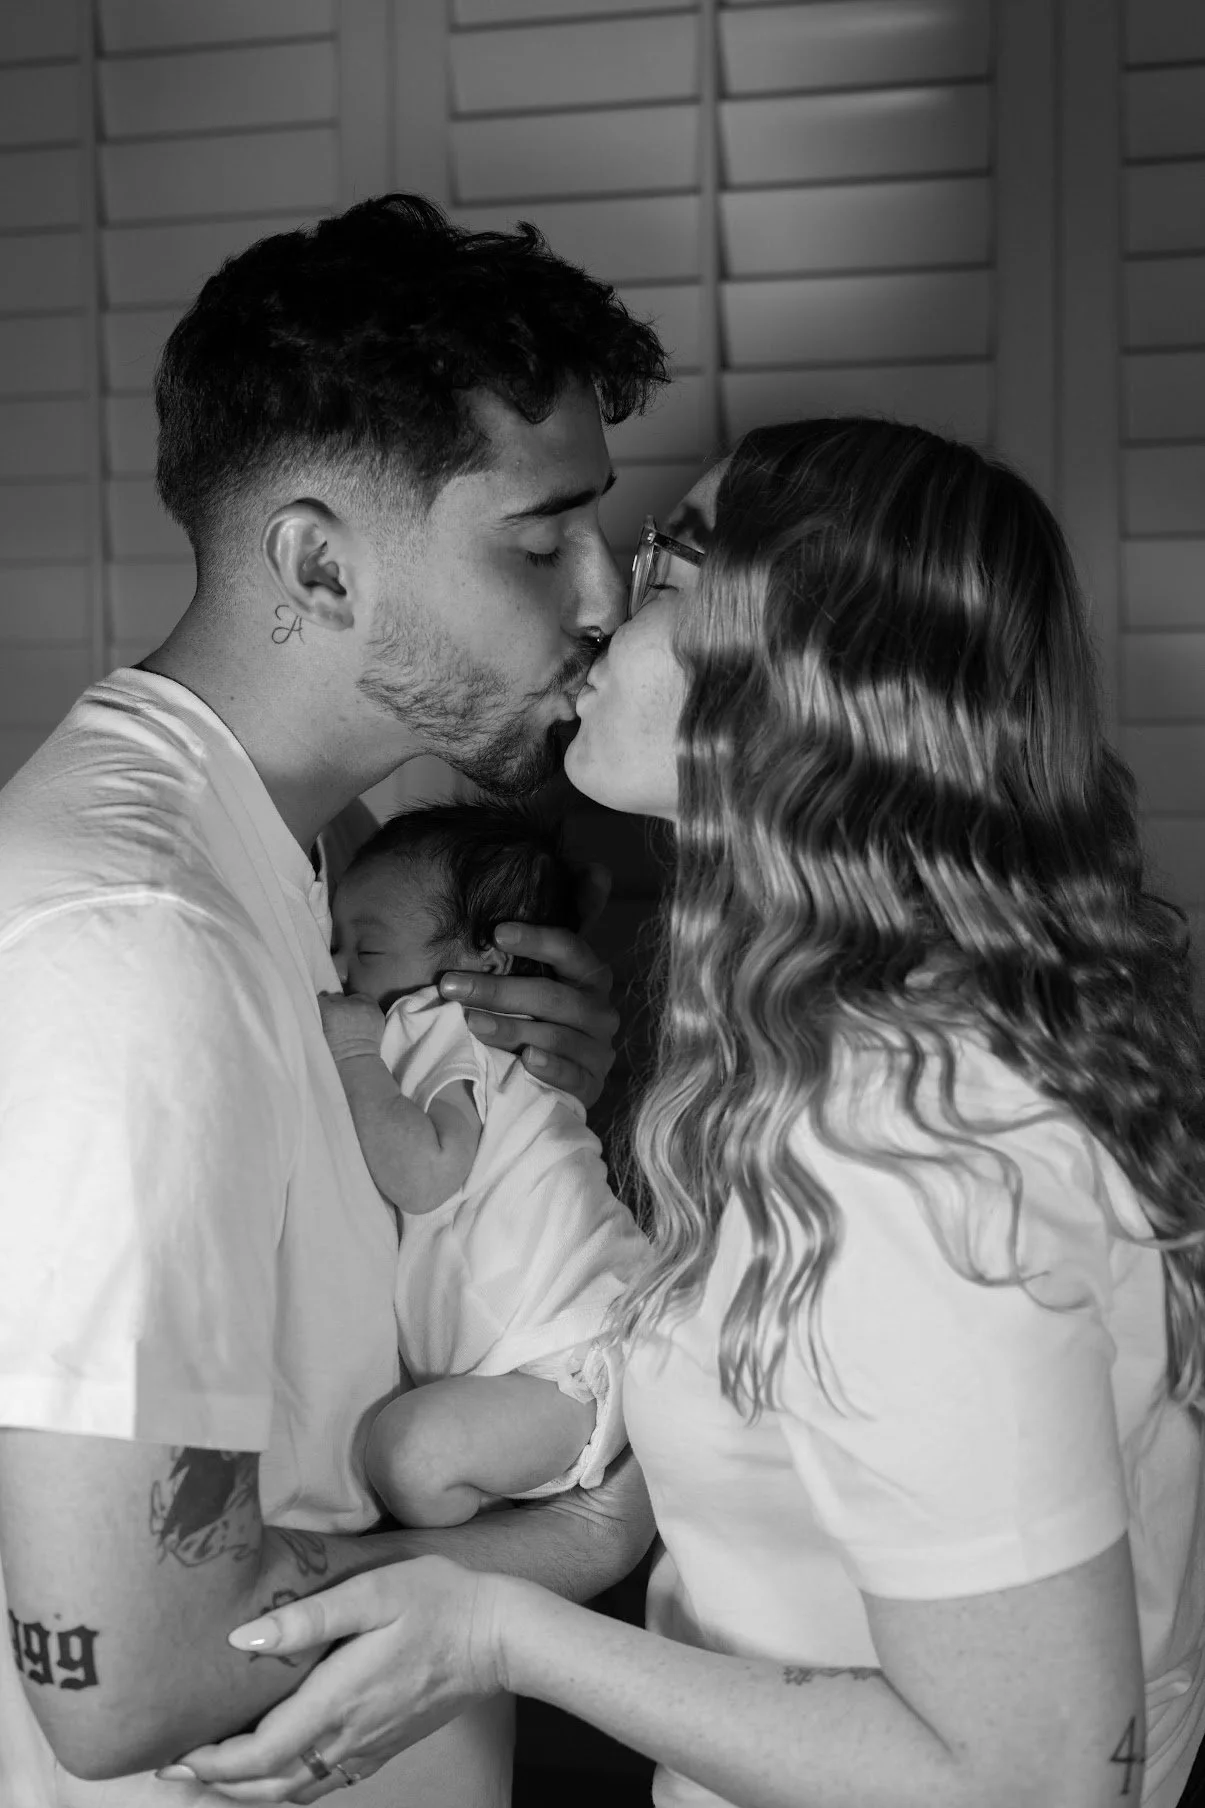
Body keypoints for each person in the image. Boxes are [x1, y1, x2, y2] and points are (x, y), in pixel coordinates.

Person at [175, 418, 1205, 1808]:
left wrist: (492, 1629)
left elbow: (1033, 1775)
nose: (597, 609)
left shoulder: (903, 1146)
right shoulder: (837, 1055)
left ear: (814, 671)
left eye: (668, 567)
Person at [0, 192, 670, 1807]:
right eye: (537, 535)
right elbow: (126, 1664)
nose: (607, 593)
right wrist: (593, 1519)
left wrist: (538, 1138)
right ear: (318, 560)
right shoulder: (134, 943)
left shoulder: (309, 864)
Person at [320, 799, 648, 1527]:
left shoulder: (436, 1022)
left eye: (365, 950)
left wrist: (350, 1056)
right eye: (336, 945)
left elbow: (429, 1170)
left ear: (483, 964)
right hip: (546, 1358)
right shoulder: (458, 1032)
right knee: (418, 1450)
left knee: (413, 1455)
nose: (340, 972)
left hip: (563, 1357)